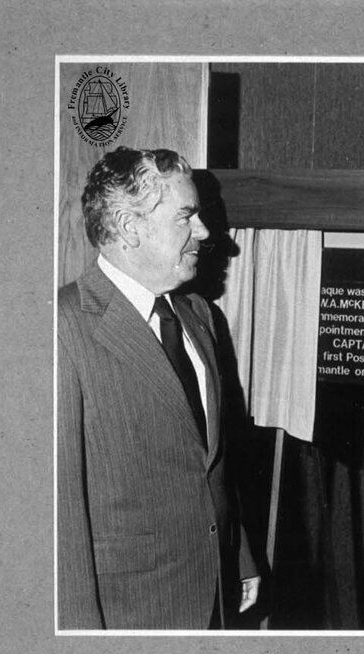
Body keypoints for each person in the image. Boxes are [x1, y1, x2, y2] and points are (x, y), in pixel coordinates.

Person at [57, 147, 260, 629]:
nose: (206, 233)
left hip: (214, 590)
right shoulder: (63, 327)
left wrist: (241, 557)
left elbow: (212, 459)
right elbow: (59, 513)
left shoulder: (200, 315)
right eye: (186, 217)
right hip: (131, 612)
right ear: (131, 228)